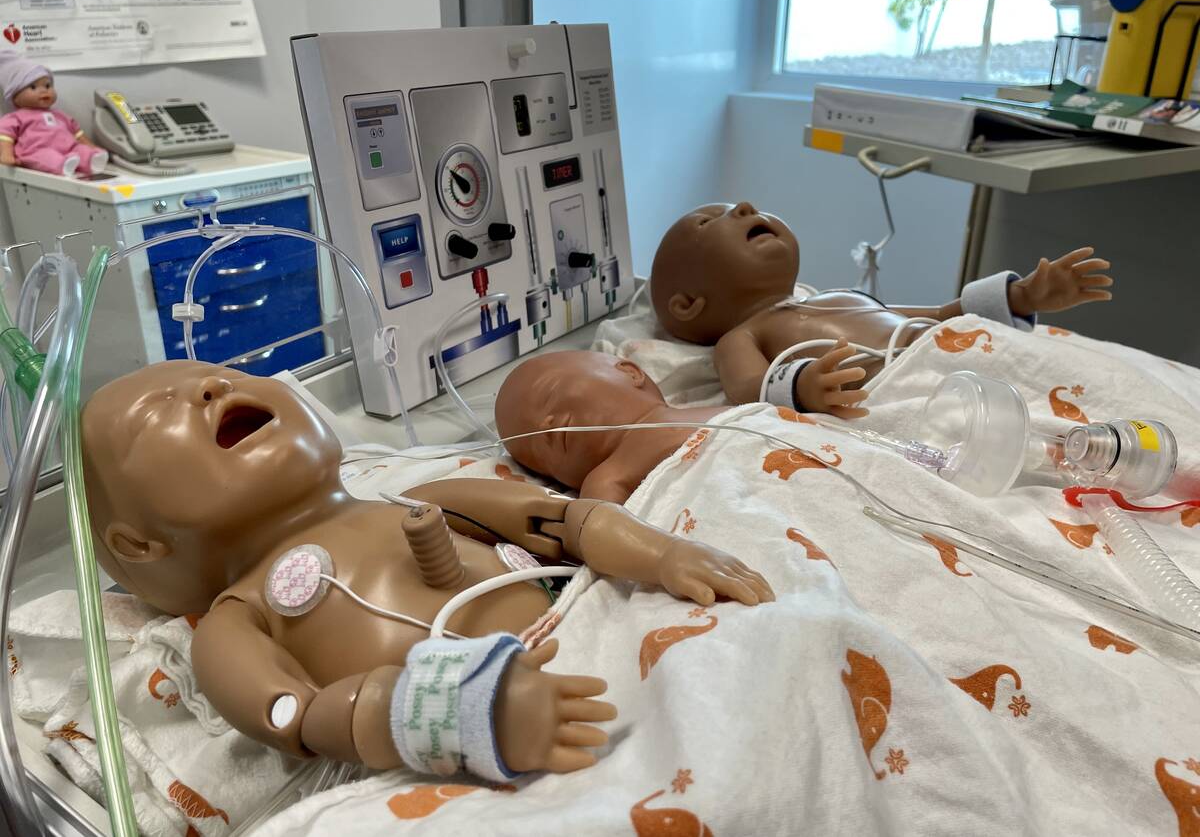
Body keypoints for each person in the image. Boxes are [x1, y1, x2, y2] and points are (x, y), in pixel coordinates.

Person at [81, 360, 772, 782]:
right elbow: (297, 714)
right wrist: (453, 716)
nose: (208, 386)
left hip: (599, 632)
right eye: (155, 416)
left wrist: (660, 553)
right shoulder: (236, 620)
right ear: (138, 546)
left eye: (224, 375)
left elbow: (564, 522)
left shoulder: (421, 501)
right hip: (480, 737)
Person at [650, 201, 1113, 416]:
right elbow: (748, 389)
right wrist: (804, 388)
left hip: (962, 354)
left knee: (1086, 399)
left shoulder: (837, 297)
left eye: (739, 205)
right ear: (688, 304)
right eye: (710, 220)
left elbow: (938, 316)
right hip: (922, 386)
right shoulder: (742, 337)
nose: (746, 206)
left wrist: (1023, 296)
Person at [496, 350, 730, 505]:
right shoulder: (609, 478)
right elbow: (602, 535)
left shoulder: (729, 412)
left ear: (630, 373)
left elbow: (761, 418)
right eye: (538, 457)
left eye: (550, 394)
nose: (543, 426)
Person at [0, 50, 107, 177]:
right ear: (15, 97)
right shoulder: (16, 117)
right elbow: (6, 137)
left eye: (47, 85)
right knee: (45, 156)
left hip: (68, 149)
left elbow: (78, 135)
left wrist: (92, 147)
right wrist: (6, 154)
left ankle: (92, 161)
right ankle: (62, 164)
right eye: (33, 87)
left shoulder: (59, 115)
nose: (44, 91)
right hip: (35, 151)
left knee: (80, 150)